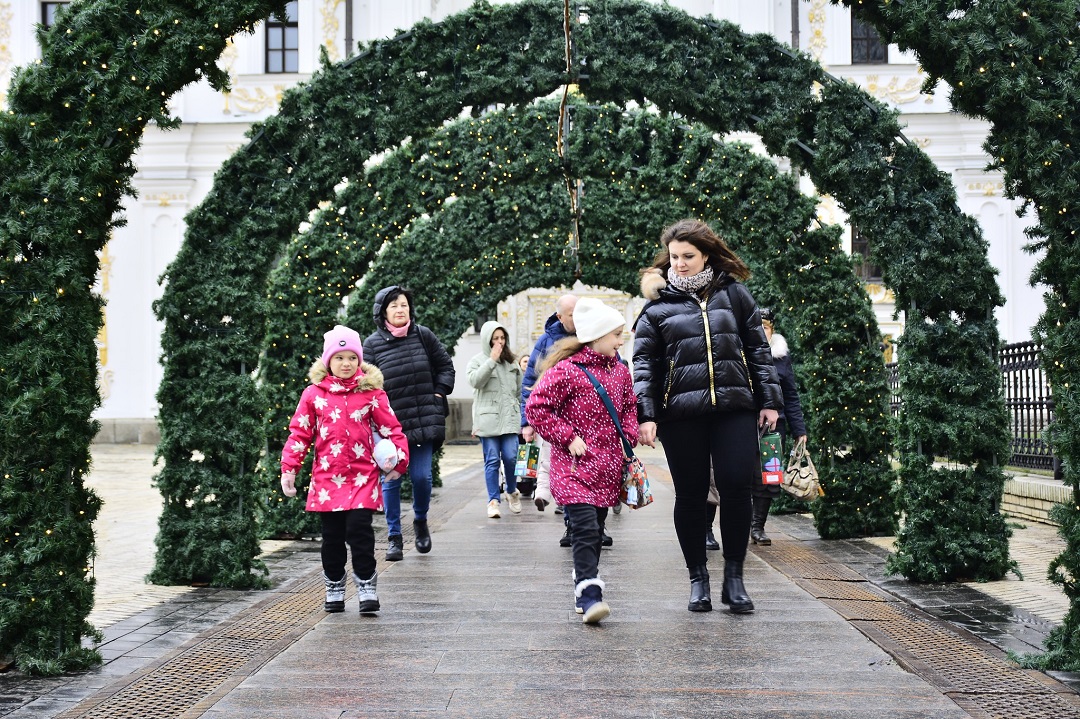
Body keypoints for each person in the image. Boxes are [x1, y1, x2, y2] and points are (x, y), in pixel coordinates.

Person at [633, 219, 782, 614]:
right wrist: (647, 414)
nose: (679, 264)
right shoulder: (657, 308)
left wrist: (770, 400)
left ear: (706, 256)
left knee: (735, 485)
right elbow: (644, 365)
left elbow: (758, 350)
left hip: (735, 406)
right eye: (674, 257)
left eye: (688, 256)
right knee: (691, 493)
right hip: (681, 413)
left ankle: (734, 579)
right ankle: (698, 579)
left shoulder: (735, 295)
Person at [280, 325, 410, 614]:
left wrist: (399, 462)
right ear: (328, 361)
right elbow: (300, 433)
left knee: (360, 531)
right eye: (339, 358)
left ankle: (366, 586)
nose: (346, 363)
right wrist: (289, 468)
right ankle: (334, 586)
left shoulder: (372, 394)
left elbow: (392, 429)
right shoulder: (313, 395)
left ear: (359, 360)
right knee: (333, 536)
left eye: (352, 357)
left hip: (362, 477)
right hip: (327, 479)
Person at [526, 298, 634, 624]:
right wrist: (567, 436)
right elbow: (536, 408)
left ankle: (582, 581)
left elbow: (629, 408)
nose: (620, 341)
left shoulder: (621, 372)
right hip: (573, 469)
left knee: (596, 530)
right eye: (616, 334)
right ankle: (590, 595)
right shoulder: (566, 371)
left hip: (607, 468)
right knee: (585, 529)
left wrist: (628, 437)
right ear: (597, 335)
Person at [363, 286, 456, 561]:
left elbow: (445, 366)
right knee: (391, 480)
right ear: (383, 312)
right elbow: (366, 385)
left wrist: (438, 393)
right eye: (394, 306)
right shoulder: (372, 345)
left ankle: (420, 520)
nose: (400, 310)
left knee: (421, 477)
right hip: (389, 428)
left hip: (423, 420)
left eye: (403, 304)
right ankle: (394, 536)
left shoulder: (423, 335)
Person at [751, 307, 807, 545]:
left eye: (765, 327)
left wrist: (799, 430)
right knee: (743, 475)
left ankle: (757, 526)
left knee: (769, 475)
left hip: (775, 428)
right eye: (757, 327)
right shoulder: (743, 354)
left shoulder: (781, 358)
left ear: (772, 330)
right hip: (746, 424)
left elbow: (791, 396)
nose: (761, 331)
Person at [467, 321, 525, 518]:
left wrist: (521, 416)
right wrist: (491, 361)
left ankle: (511, 490)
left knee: (511, 457)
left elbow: (519, 392)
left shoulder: (512, 363)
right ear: (487, 340)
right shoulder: (477, 361)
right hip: (487, 420)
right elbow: (475, 381)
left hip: (509, 419)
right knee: (492, 459)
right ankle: (493, 501)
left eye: (502, 338)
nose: (499, 342)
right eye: (495, 339)